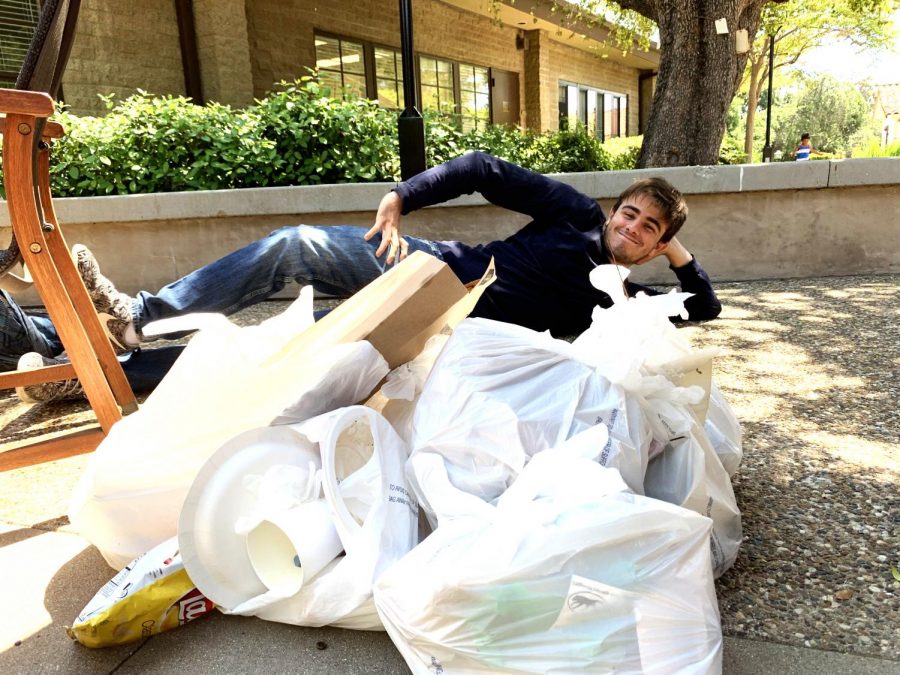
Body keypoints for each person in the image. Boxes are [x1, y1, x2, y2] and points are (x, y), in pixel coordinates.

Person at [4, 151, 720, 402]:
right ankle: (142, 318)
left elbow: (704, 308)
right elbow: (479, 168)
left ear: (657, 244)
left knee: (282, 353)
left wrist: (676, 258)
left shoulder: (628, 297)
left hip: (438, 333)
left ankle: (95, 368)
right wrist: (401, 198)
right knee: (298, 245)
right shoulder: (569, 213)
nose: (628, 228)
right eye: (628, 213)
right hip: (425, 270)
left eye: (647, 228)